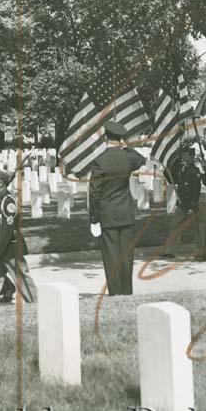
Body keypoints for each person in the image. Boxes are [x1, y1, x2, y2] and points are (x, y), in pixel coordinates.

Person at [88, 119, 146, 295]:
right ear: (120, 138)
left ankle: (115, 292)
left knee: (111, 256)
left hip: (108, 215)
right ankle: (127, 292)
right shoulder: (127, 158)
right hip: (126, 213)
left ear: (105, 137)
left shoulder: (100, 161)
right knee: (127, 257)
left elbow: (94, 193)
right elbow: (141, 159)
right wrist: (126, 146)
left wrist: (94, 219)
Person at [0, 168, 37, 304]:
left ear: (1, 183)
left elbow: (6, 230)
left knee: (21, 278)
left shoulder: (8, 202)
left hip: (10, 249)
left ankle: (35, 303)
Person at [163, 147, 203, 258]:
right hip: (181, 204)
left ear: (192, 157)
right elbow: (173, 180)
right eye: (183, 155)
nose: (183, 157)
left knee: (196, 230)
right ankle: (169, 251)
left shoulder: (194, 171)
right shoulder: (182, 169)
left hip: (190, 206)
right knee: (174, 227)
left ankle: (202, 251)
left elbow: (196, 190)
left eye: (186, 155)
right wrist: (166, 171)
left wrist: (192, 206)